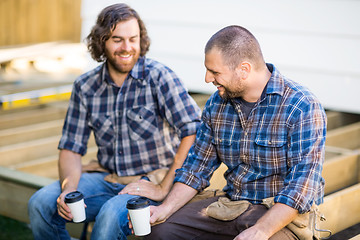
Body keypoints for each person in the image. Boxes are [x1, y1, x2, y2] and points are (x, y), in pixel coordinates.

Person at [28, 3, 201, 240]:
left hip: (151, 180)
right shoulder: (85, 86)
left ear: (141, 39)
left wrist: (163, 187)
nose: (127, 47)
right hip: (107, 178)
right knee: (40, 204)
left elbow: (194, 131)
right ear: (102, 42)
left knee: (110, 216)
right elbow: (70, 147)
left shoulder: (160, 77)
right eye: (117, 39)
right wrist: (69, 189)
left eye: (133, 38)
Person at [144, 25, 327, 240]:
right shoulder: (216, 104)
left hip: (280, 215)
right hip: (231, 206)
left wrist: (261, 230)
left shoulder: (302, 107)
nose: (206, 78)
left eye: (214, 72)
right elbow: (196, 168)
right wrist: (164, 209)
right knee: (160, 232)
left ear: (244, 69)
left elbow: (300, 188)